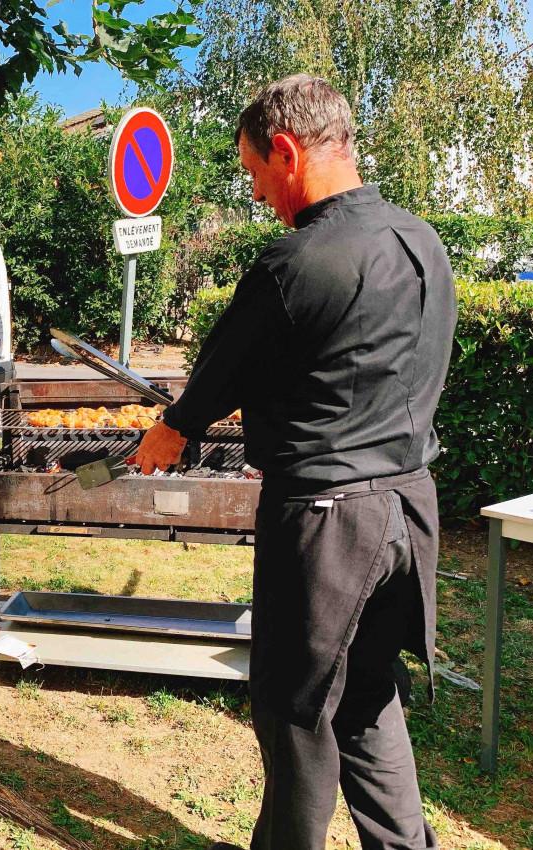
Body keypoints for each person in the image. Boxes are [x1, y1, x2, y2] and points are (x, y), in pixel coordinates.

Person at [131, 74, 456, 850]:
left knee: (295, 711)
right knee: (368, 697)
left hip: (326, 526)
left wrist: (163, 439)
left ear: (286, 150)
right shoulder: (424, 245)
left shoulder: (294, 264)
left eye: (253, 174)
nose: (257, 194)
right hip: (411, 511)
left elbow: (206, 393)